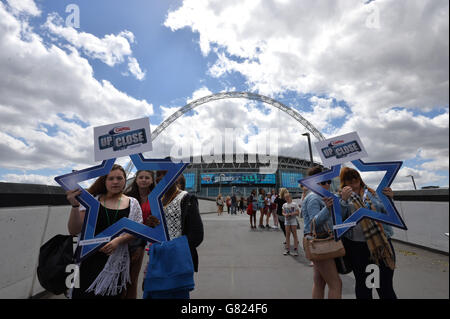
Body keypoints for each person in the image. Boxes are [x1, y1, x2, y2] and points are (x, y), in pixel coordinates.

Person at [66, 164, 143, 299]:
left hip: (115, 264)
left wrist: (119, 240)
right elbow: (74, 230)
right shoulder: (92, 200)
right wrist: (74, 205)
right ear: (104, 181)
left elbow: (137, 230)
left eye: (119, 178)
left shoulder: (133, 203)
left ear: (125, 180)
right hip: (88, 261)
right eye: (110, 178)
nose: (115, 182)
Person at [143, 170, 204, 299]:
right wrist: (150, 226)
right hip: (156, 260)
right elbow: (154, 234)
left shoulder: (187, 198)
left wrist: (169, 249)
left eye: (164, 174)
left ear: (176, 176)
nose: (159, 178)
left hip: (176, 263)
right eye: (158, 175)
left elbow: (197, 235)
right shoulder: (157, 200)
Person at [338, 167, 397, 299]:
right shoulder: (341, 197)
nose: (353, 182)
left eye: (355, 178)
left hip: (381, 244)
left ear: (359, 178)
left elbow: (386, 212)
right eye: (348, 179)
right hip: (357, 248)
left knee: (385, 286)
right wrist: (343, 201)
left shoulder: (373, 193)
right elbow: (339, 221)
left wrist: (390, 199)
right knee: (364, 285)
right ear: (344, 182)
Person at [302, 166, 342, 299]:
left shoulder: (314, 196)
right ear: (315, 183)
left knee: (319, 282)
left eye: (329, 182)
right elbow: (314, 223)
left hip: (316, 243)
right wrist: (328, 208)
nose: (327, 185)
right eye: (324, 182)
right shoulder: (314, 197)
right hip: (320, 242)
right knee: (336, 284)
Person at [123, 170, 160, 299]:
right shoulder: (127, 196)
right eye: (141, 177)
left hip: (144, 240)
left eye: (147, 177)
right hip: (126, 239)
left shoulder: (157, 197)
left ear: (151, 180)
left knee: (132, 278)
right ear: (136, 179)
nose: (144, 180)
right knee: (120, 278)